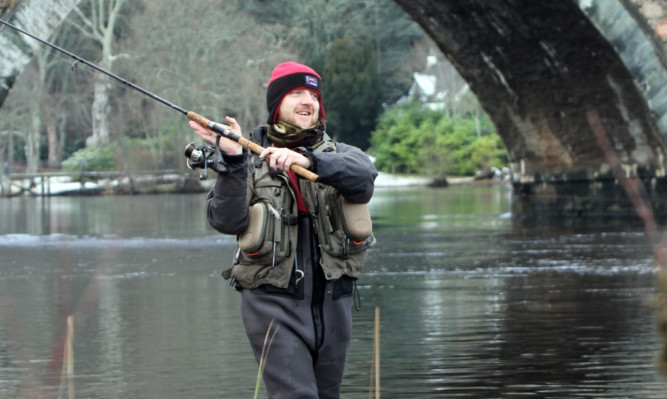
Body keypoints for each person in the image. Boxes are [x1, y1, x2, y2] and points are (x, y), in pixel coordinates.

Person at [188, 61, 377, 398]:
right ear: (276, 106)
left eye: (313, 95)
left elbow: (364, 179)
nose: (308, 101)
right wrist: (232, 162)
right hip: (272, 305)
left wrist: (309, 161)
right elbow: (225, 220)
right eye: (296, 94)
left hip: (335, 304)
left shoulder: (343, 156)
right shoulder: (247, 160)